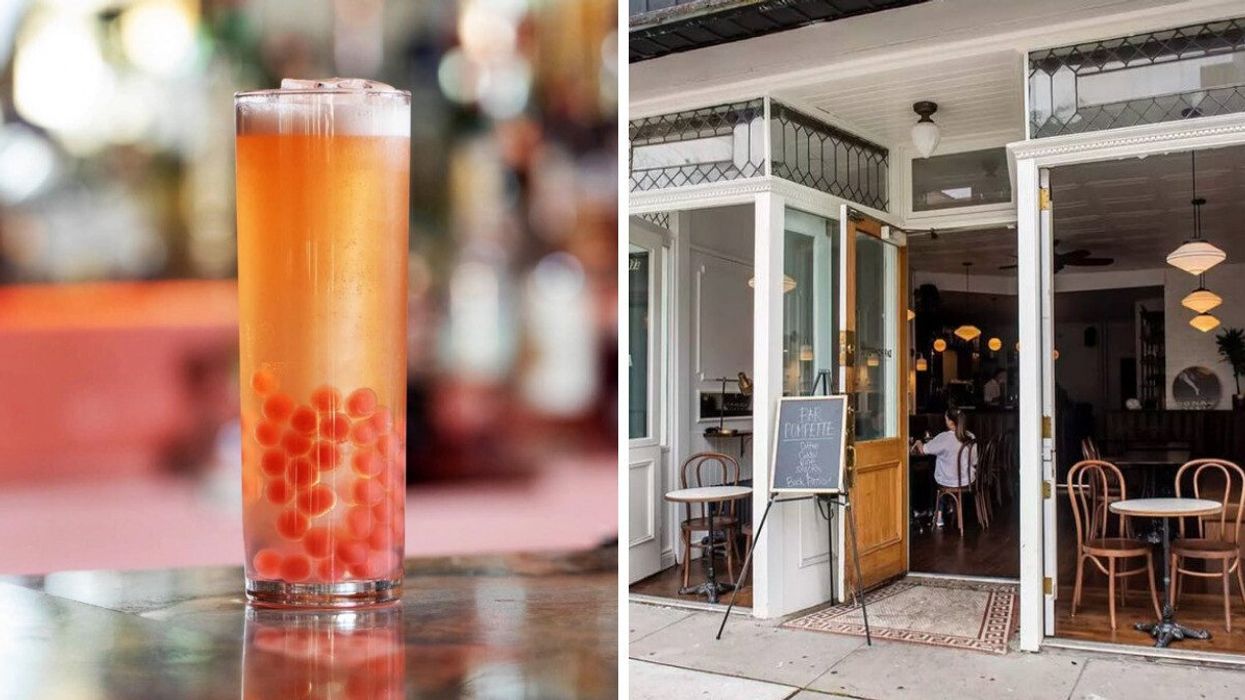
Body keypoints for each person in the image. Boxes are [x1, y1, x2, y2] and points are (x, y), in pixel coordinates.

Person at [911, 409, 977, 528]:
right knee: (942, 469)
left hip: (948, 480)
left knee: (935, 472)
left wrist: (918, 441)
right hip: (968, 480)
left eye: (946, 419)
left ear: (950, 422)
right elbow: (975, 461)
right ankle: (950, 506)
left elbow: (923, 450)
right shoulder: (970, 436)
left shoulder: (944, 438)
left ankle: (939, 513)